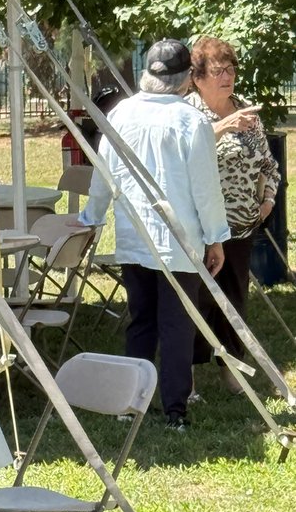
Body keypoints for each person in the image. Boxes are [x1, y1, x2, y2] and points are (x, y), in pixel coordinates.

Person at [79, 38, 230, 431]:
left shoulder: (122, 114)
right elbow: (205, 189)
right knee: (176, 325)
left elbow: (102, 175)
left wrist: (91, 218)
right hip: (178, 244)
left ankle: (129, 402)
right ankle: (174, 409)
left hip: (134, 237)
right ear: (186, 80)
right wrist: (216, 237)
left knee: (141, 321)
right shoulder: (191, 120)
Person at [186, 37, 280, 394]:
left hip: (240, 226)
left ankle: (231, 370)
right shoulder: (188, 113)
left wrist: (268, 200)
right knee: (199, 299)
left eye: (231, 69)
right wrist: (222, 127)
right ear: (198, 77)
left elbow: (269, 167)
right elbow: (184, 156)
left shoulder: (247, 115)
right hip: (200, 227)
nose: (227, 77)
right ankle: (189, 375)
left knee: (235, 299)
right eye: (218, 70)